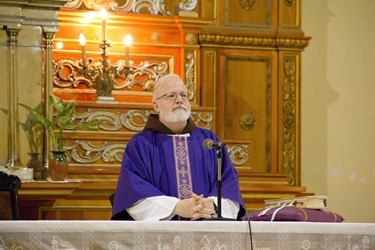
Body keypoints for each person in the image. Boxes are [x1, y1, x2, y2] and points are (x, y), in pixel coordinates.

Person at [111, 73, 246, 221]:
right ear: (156, 105)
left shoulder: (209, 141)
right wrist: (176, 207)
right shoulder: (141, 144)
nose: (179, 100)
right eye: (171, 96)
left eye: (183, 95)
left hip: (207, 230)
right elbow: (133, 191)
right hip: (161, 236)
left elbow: (228, 183)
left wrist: (213, 205)